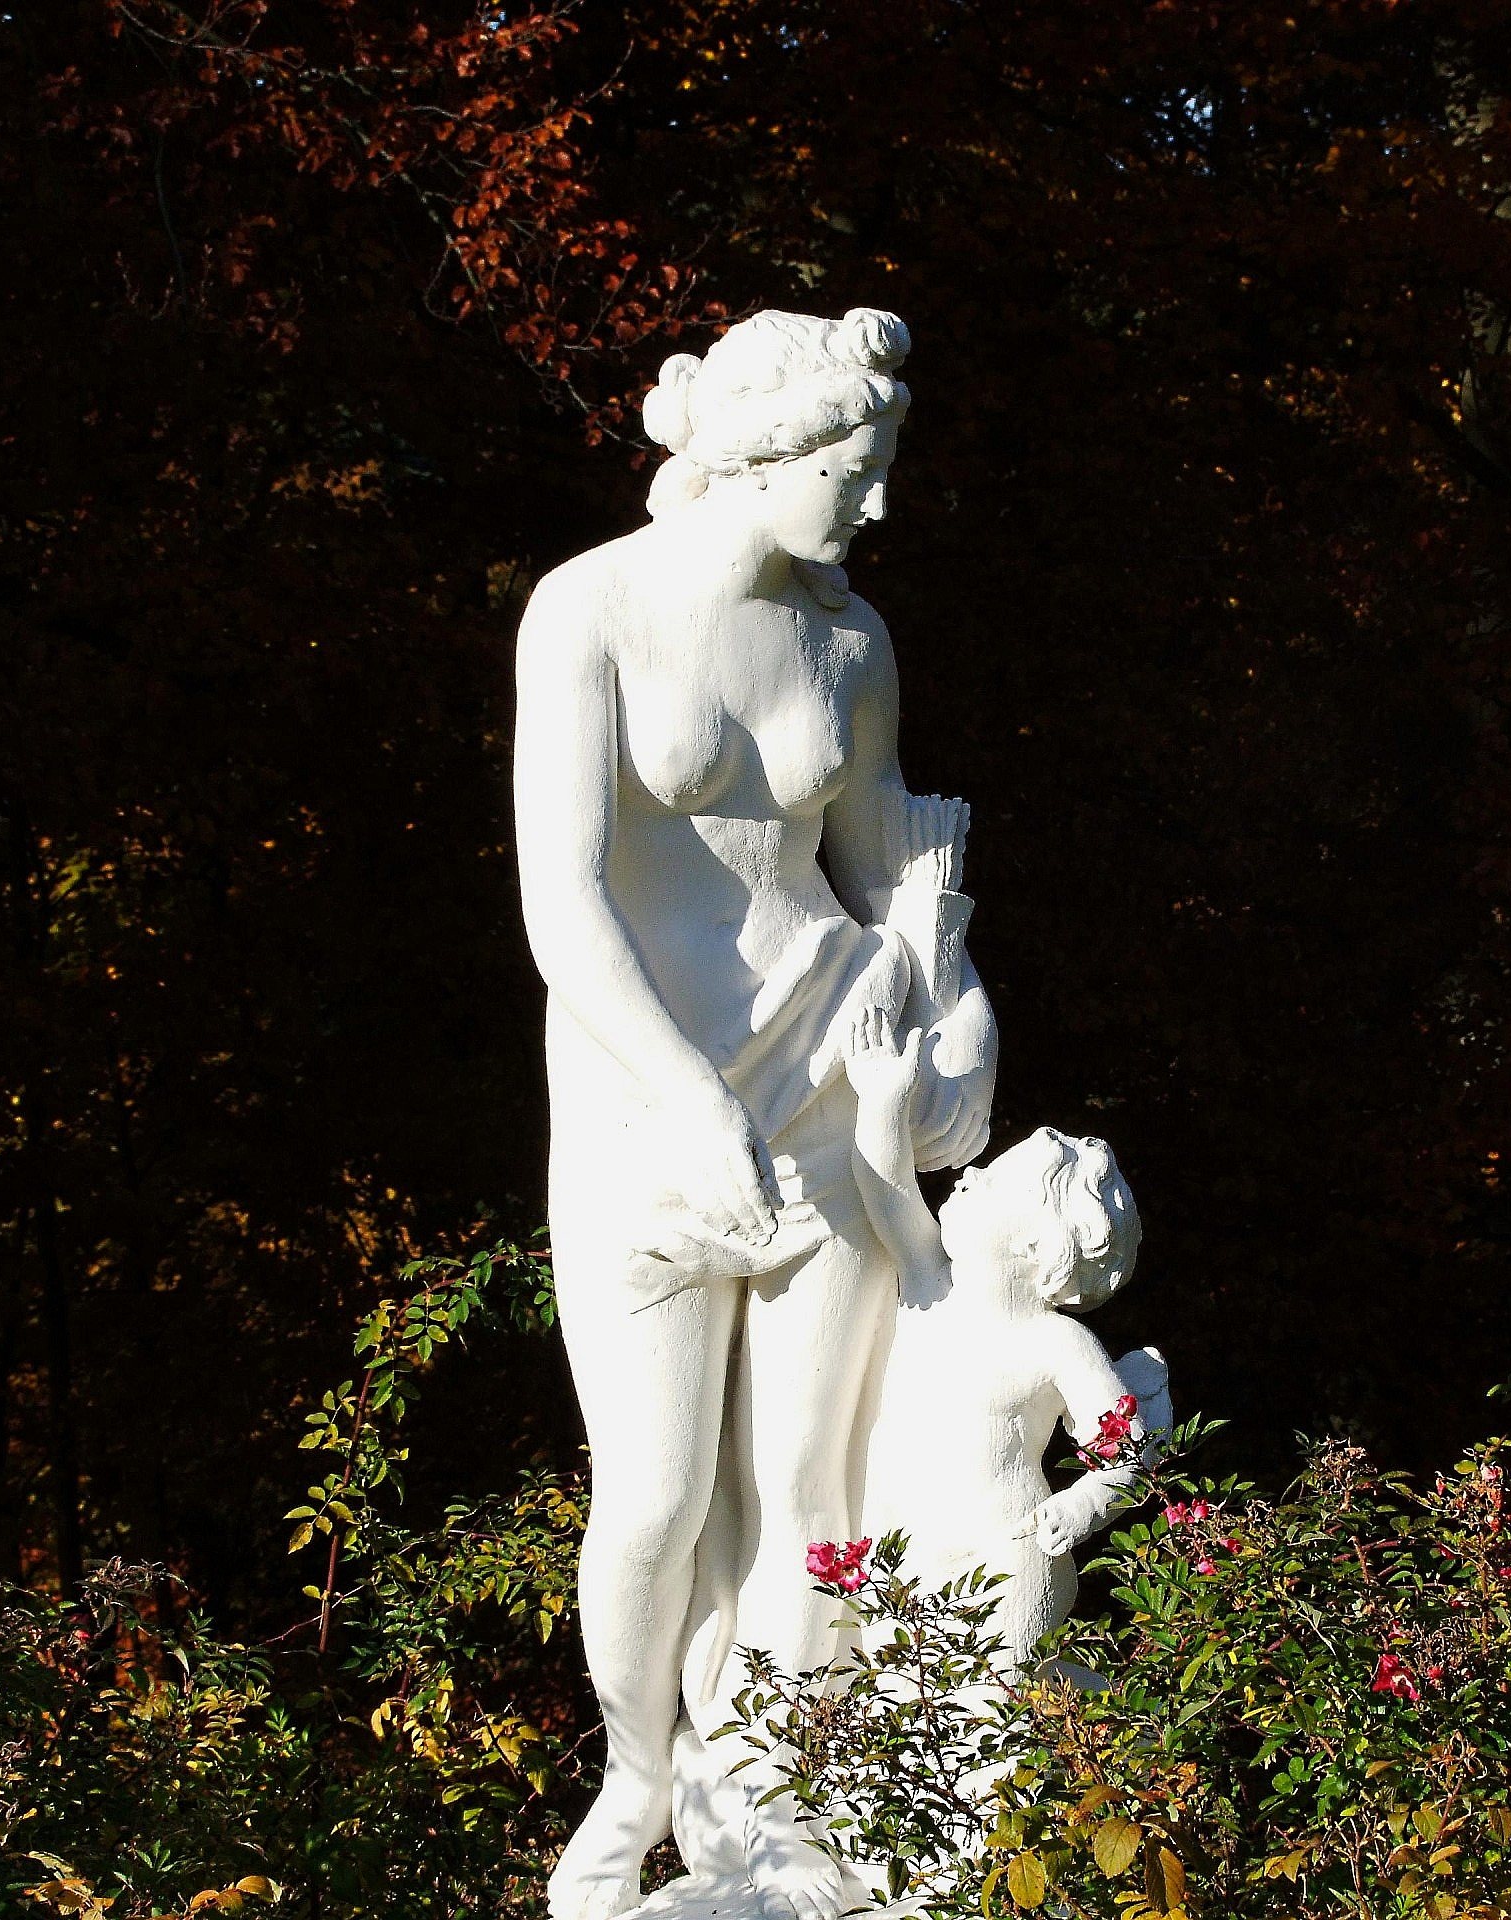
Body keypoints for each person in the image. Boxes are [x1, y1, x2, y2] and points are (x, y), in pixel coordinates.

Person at [513, 307, 995, 1920]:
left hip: (819, 1078)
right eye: (854, 475)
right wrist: (682, 1097)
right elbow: (563, 908)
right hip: (647, 1108)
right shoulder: (588, 612)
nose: (874, 509)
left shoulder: (852, 645)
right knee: (650, 1497)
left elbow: (881, 868)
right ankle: (638, 1771)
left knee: (813, 1488)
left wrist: (938, 993)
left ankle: (774, 1798)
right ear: (765, 455)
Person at [842, 1001, 1168, 1672]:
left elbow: (1128, 1453)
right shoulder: (930, 1280)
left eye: (989, 1181)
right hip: (901, 1548)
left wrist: (1085, 1503)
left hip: (1010, 1552)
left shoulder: (1056, 1343)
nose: (966, 1176)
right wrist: (881, 1099)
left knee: (996, 1704)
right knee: (901, 1709)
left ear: (1034, 1241)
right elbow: (888, 1192)